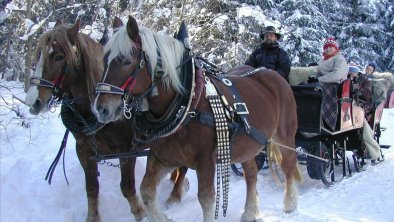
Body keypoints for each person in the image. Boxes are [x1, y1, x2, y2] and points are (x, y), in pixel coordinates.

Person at [307, 37, 348, 131]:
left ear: (336, 48)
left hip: (334, 85)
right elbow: (318, 72)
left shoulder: (339, 59)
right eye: (326, 47)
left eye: (331, 47)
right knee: (303, 86)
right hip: (323, 83)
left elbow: (337, 75)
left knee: (317, 90)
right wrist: (313, 78)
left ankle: (324, 121)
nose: (328, 49)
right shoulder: (323, 60)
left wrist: (318, 79)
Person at [348, 65, 381, 163]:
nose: (350, 75)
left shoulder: (366, 80)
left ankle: (369, 146)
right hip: (351, 103)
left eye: (351, 73)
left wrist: (355, 89)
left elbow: (367, 94)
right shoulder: (347, 78)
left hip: (365, 105)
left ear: (356, 73)